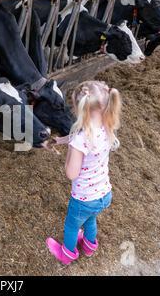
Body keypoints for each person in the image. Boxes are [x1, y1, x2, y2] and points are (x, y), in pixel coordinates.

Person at [46, 80, 122, 265]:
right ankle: (89, 245)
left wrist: (69, 153)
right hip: (103, 194)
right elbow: (78, 135)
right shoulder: (106, 126)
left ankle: (67, 254)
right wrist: (61, 141)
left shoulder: (80, 141)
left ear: (81, 109)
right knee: (90, 219)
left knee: (72, 225)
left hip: (83, 198)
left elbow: (71, 174)